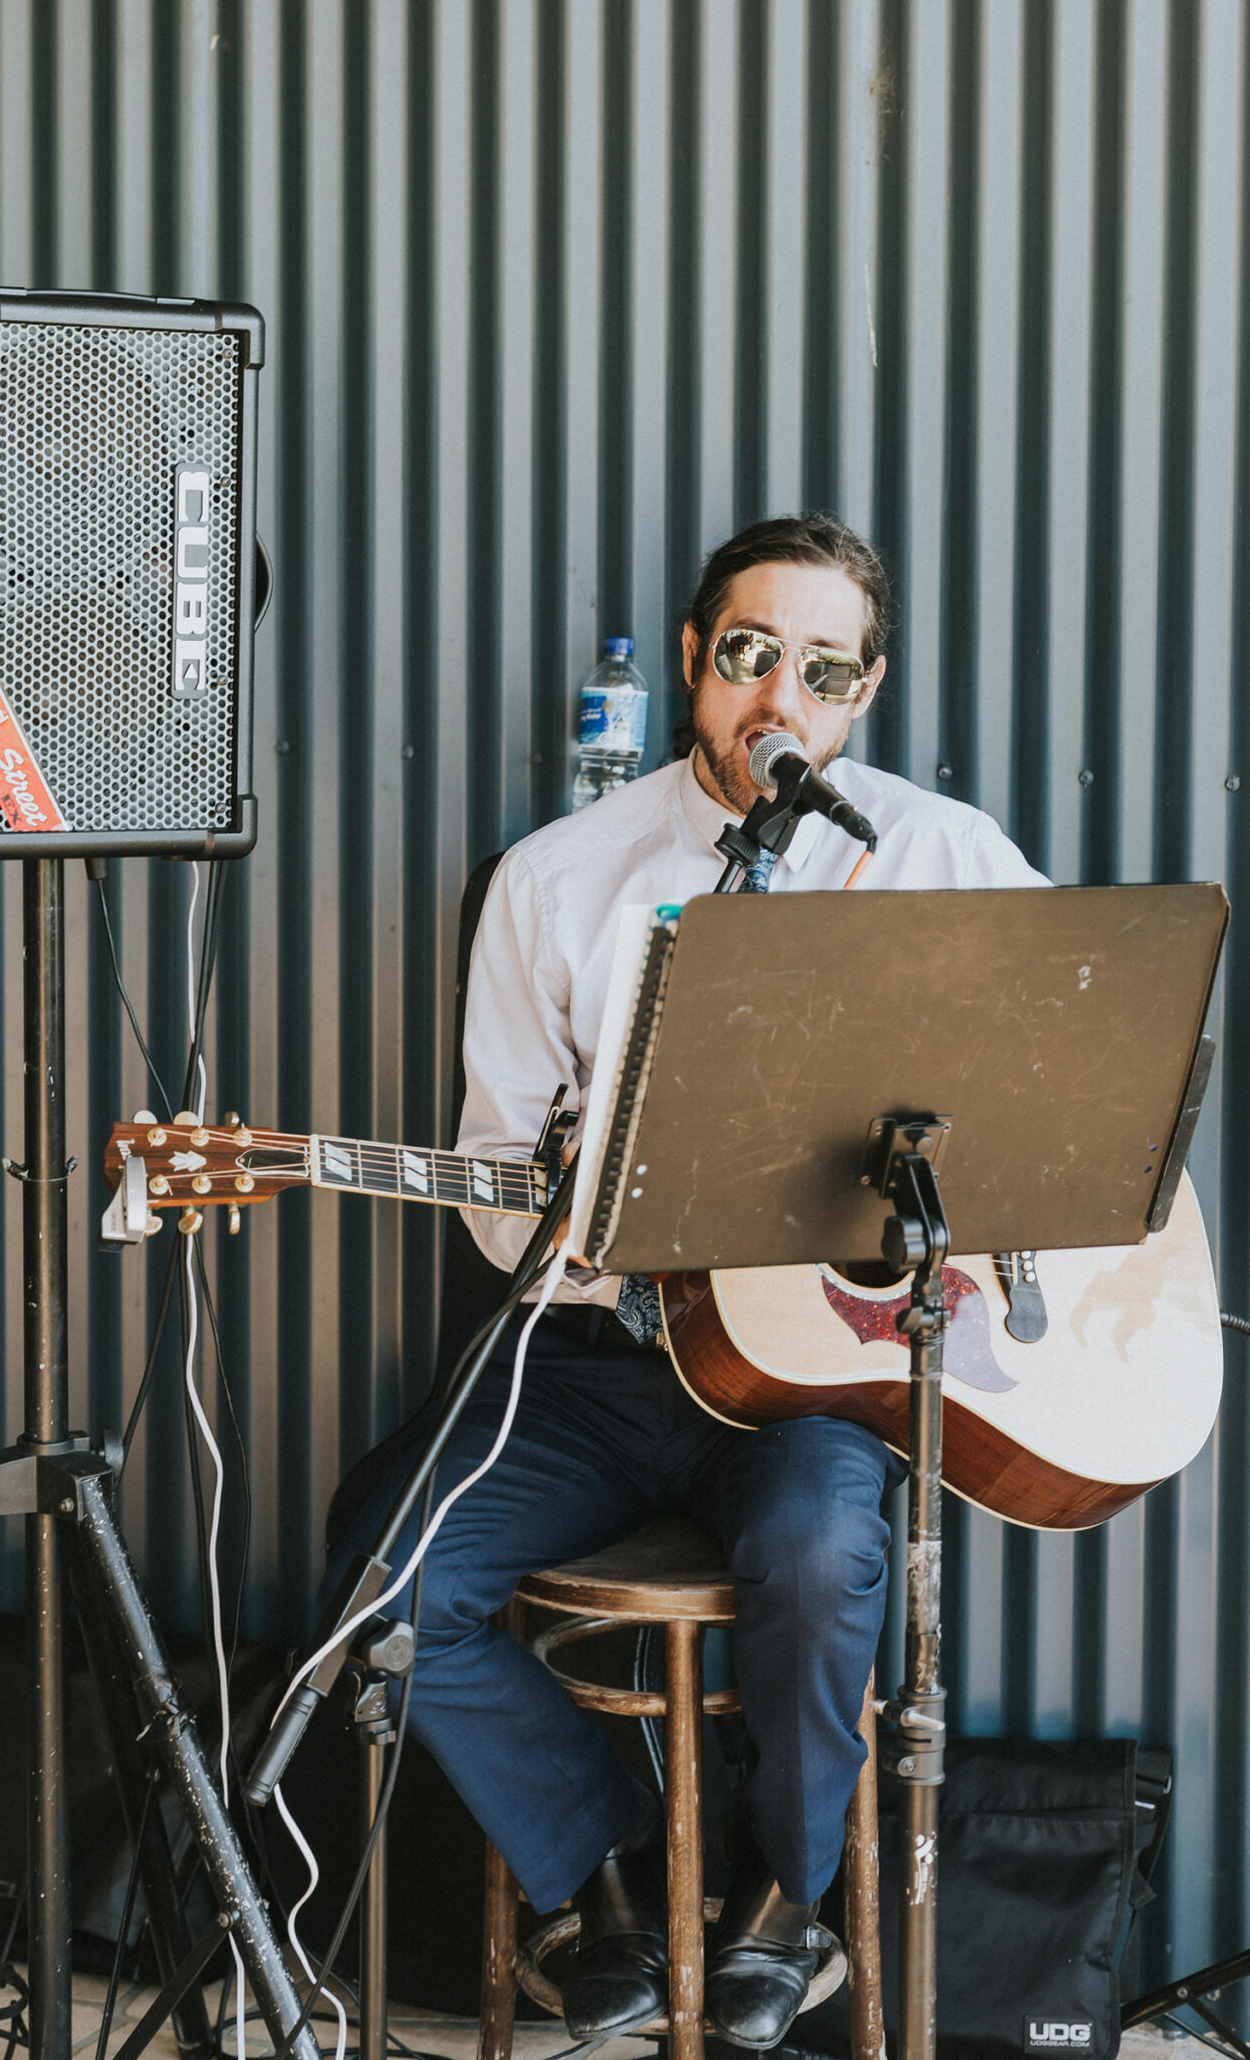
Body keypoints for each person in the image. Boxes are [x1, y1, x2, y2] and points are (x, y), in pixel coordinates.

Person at [326, 513, 1046, 2050]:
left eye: (823, 670)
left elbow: (1058, 1108)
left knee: (814, 1560)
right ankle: (619, 1886)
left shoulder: (947, 859)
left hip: (822, 1383)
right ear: (690, 662)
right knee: (384, 1569)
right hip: (597, 1365)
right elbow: (492, 1179)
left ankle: (785, 1900)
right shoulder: (560, 875)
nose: (780, 699)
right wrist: (568, 1221)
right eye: (749, 657)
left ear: (867, 692)